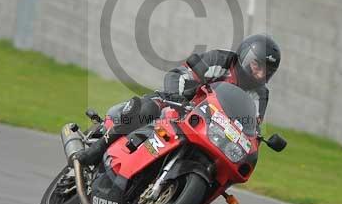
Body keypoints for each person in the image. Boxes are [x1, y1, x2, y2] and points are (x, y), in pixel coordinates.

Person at [74, 34, 281, 166]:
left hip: (209, 132)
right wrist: (177, 96)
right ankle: (99, 147)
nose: (260, 73)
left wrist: (253, 144)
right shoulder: (220, 61)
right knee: (147, 108)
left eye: (267, 71)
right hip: (180, 108)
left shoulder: (260, 95)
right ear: (245, 56)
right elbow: (179, 75)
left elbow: (252, 128)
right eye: (257, 65)